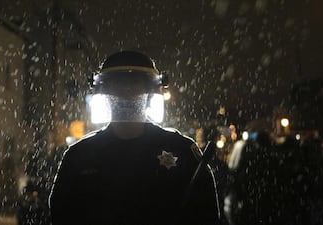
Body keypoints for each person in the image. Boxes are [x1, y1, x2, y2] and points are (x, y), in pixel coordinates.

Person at [49, 50, 220, 225]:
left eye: (133, 85)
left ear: (150, 90)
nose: (126, 92)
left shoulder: (181, 151)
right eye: (119, 85)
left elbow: (206, 215)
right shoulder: (79, 155)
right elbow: (60, 214)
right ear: (104, 91)